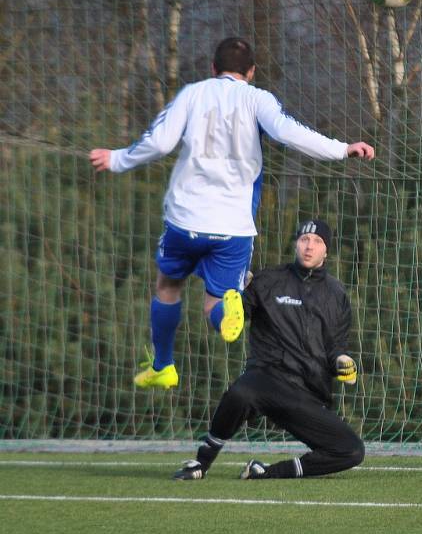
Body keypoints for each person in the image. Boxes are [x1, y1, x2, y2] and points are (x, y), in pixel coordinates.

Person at [89, 37, 375, 391]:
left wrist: (117, 158)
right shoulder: (258, 99)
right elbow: (288, 132)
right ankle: (228, 313)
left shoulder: (192, 94)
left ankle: (163, 365)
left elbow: (161, 142)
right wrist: (342, 149)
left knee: (167, 286)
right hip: (232, 227)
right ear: (251, 72)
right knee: (214, 303)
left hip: (184, 219)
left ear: (213, 68)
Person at [173, 218, 364, 480]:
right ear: (296, 244)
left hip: (307, 394)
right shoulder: (268, 281)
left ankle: (264, 472)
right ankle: (201, 462)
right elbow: (236, 316)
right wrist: (232, 290)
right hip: (267, 378)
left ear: (326, 250)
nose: (309, 246)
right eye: (304, 240)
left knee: (352, 451)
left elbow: (337, 349)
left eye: (317, 242)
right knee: (241, 392)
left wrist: (344, 361)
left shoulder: (337, 294)